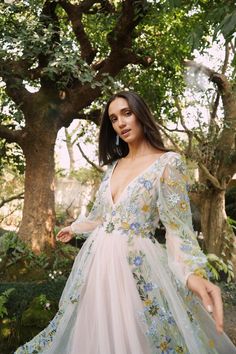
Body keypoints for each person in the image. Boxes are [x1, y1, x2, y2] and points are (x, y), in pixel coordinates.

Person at [15, 91, 236, 354]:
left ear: (141, 114)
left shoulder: (167, 163)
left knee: (135, 337)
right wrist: (73, 228)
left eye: (127, 113)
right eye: (113, 118)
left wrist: (191, 274)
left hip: (136, 268)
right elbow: (100, 217)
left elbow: (177, 229)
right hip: (98, 269)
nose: (120, 122)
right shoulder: (113, 168)